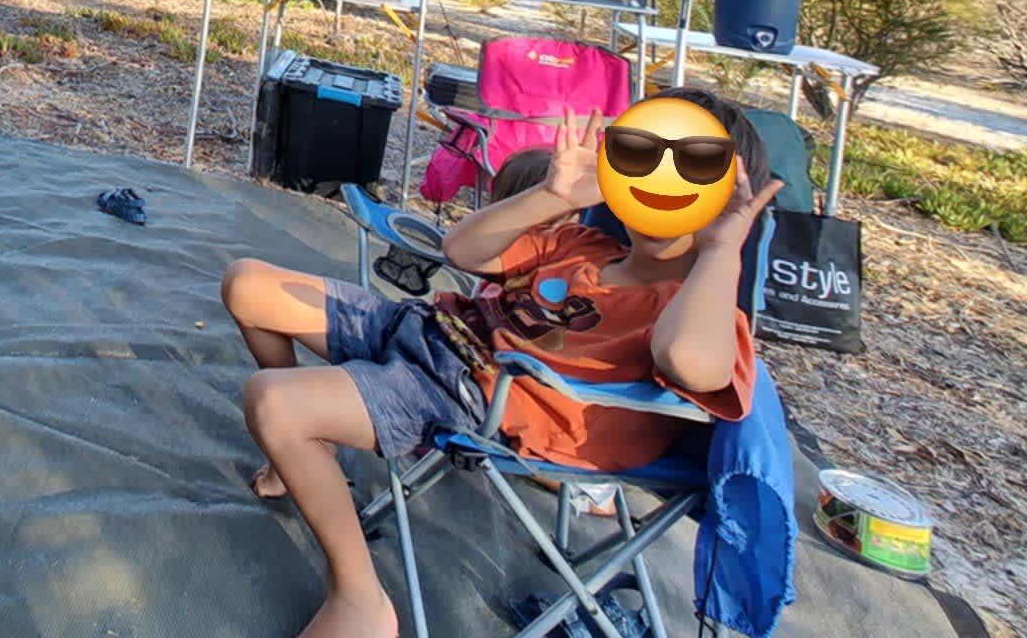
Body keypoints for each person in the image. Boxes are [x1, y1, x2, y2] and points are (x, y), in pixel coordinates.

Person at [219, 88, 780, 638]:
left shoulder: (692, 312)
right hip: (431, 333)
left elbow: (690, 363)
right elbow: (462, 251)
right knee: (246, 283)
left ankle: (360, 597)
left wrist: (721, 250)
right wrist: (555, 195)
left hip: (471, 398)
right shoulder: (583, 244)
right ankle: (312, 459)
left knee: (275, 401)